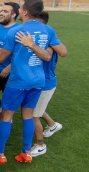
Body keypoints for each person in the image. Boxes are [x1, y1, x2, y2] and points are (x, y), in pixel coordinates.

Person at [0, 0, 66, 165]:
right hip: (38, 81)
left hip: (18, 81)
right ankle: (26, 152)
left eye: (21, 7)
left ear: (25, 11)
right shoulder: (48, 30)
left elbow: (0, 58)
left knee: (7, 116)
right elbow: (53, 54)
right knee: (28, 116)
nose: (19, 10)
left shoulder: (15, 31)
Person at [28, 11, 67, 157]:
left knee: (33, 115)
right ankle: (52, 125)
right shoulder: (47, 40)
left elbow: (62, 52)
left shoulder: (49, 42)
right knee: (33, 108)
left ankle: (40, 145)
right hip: (39, 82)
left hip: (45, 84)